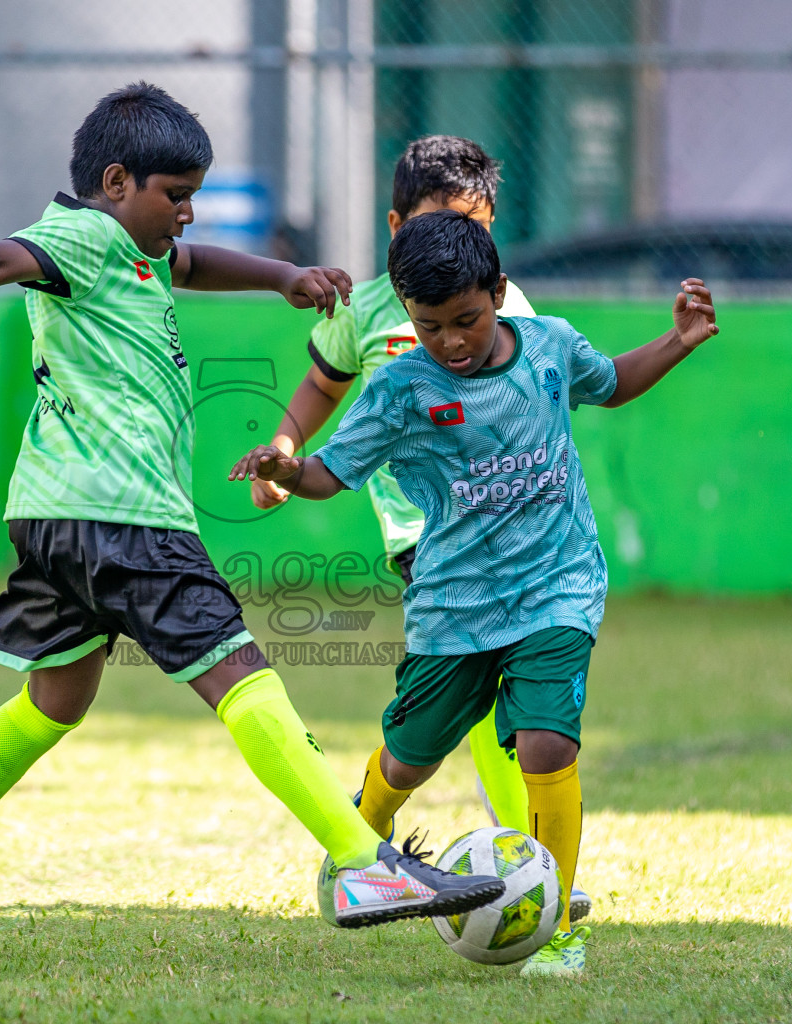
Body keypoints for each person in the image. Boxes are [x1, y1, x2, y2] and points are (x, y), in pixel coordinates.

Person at [0, 83, 505, 930]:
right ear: (117, 182)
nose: (187, 216)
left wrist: (283, 278)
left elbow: (193, 266)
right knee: (241, 673)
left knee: (57, 700)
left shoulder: (135, 252)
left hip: (53, 513)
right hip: (127, 516)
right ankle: (360, 864)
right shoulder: (78, 237)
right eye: (177, 197)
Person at [229, 209, 719, 975]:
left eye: (467, 320)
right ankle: (357, 857)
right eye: (431, 327)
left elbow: (613, 382)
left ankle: (554, 927)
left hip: (558, 587)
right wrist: (289, 471)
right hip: (453, 605)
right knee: (408, 759)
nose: (452, 342)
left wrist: (678, 342)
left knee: (547, 740)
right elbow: (332, 470)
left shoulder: (551, 348)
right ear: (407, 316)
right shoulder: (399, 390)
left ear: (498, 293)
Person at [249, 135, 591, 923]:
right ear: (398, 225)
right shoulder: (366, 308)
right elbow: (321, 383)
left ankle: (533, 881)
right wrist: (286, 450)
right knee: (453, 718)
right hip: (424, 540)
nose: (453, 250)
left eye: (474, 231)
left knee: (519, 716)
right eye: (435, 229)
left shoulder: (515, 311)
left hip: (515, 540)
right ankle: (366, 847)